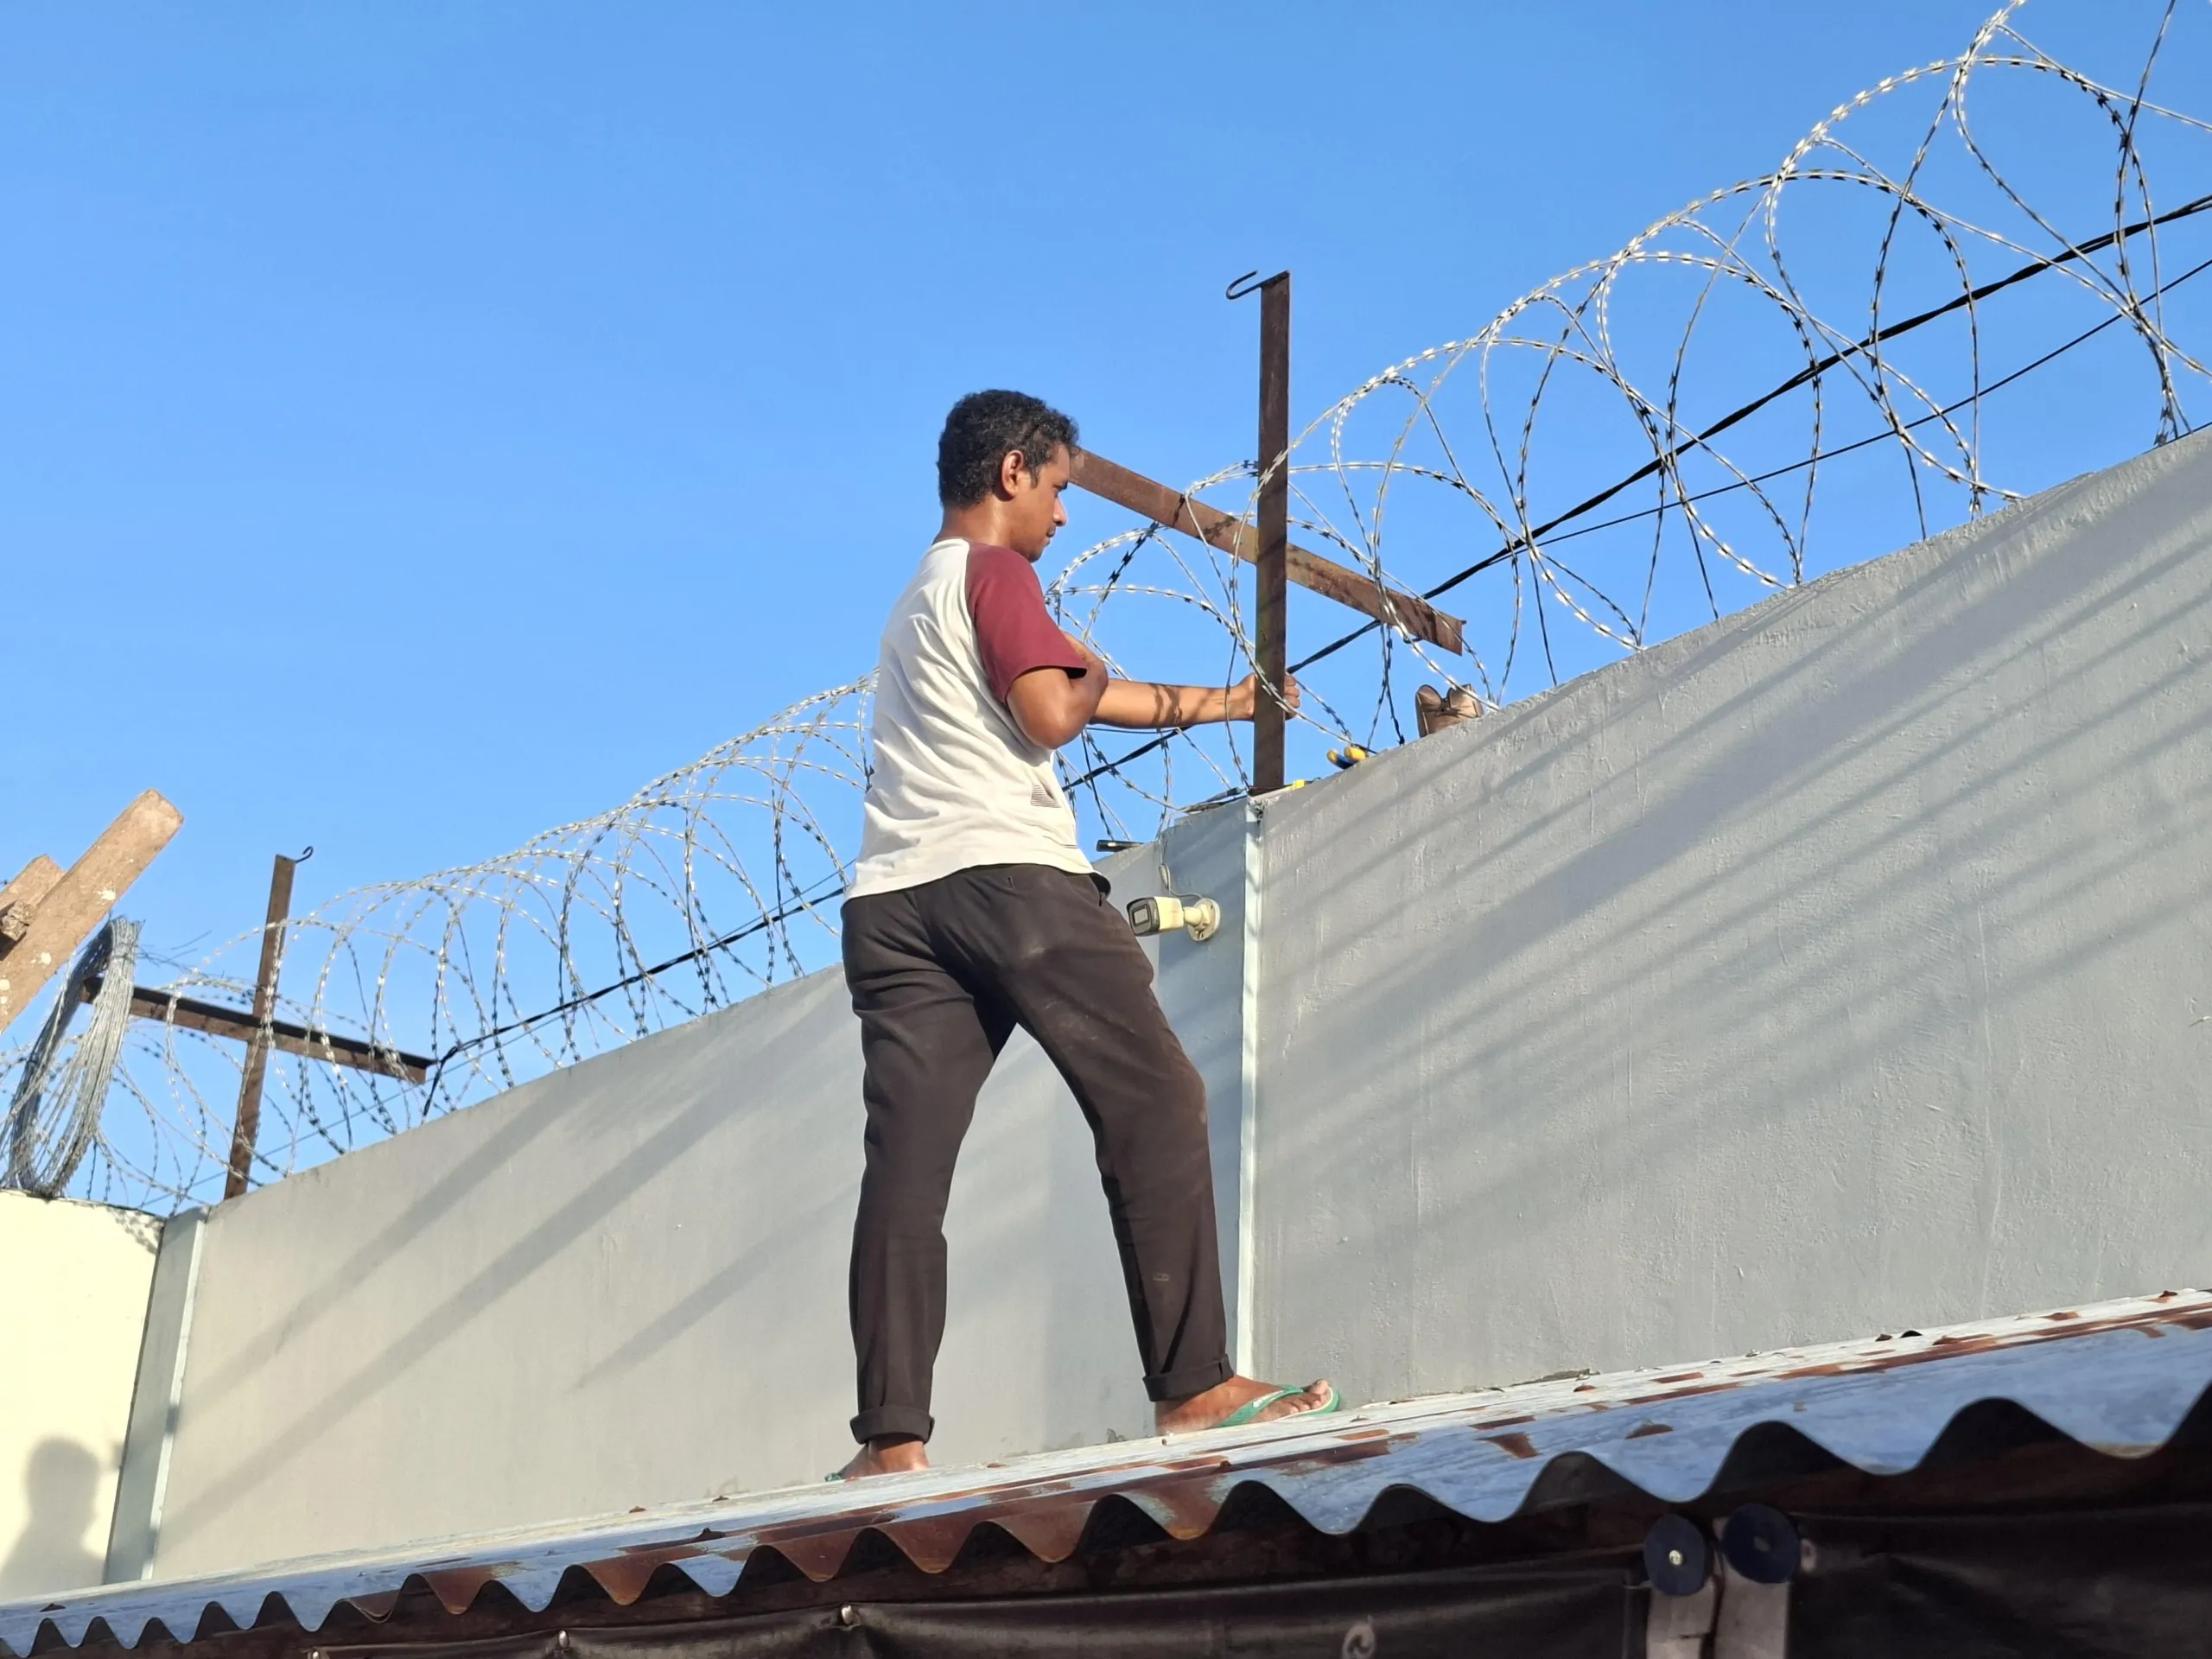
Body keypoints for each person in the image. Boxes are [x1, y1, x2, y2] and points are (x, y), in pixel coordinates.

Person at [835, 389, 1338, 1480]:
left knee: (908, 1172)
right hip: (1008, 883)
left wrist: (1225, 704)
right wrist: (1089, 663)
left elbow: (1064, 692)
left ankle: (889, 1440)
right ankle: (1196, 1387)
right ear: (1011, 473)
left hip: (890, 907)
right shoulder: (995, 571)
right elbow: (1055, 711)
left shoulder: (916, 602)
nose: (1064, 516)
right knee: (1157, 1097)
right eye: (1059, 489)